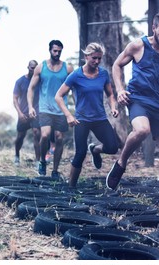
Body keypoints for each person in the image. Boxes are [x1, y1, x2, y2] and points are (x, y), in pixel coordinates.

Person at [106, 11, 159, 202]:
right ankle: (121, 162)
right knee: (142, 130)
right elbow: (117, 65)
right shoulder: (138, 45)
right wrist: (120, 90)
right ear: (153, 28)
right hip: (138, 99)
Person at [55, 42, 119, 189]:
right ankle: (71, 187)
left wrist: (113, 107)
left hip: (100, 118)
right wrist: (68, 116)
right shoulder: (75, 75)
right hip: (81, 120)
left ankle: (95, 150)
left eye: (99, 59)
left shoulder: (103, 74)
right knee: (80, 154)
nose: (97, 62)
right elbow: (58, 96)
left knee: (112, 147)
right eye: (94, 58)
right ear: (86, 57)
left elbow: (110, 94)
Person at [27, 39, 74, 179]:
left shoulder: (68, 68)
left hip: (60, 109)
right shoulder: (41, 67)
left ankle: (55, 170)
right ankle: (42, 161)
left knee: (59, 138)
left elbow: (75, 87)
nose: (57, 53)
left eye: (59, 51)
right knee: (45, 135)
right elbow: (31, 88)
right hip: (45, 107)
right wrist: (30, 107)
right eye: (55, 50)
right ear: (50, 50)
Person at [13, 60, 41, 167]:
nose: (33, 70)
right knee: (20, 136)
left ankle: (37, 161)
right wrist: (19, 113)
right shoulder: (20, 81)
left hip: (36, 113)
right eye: (31, 68)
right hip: (23, 113)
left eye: (35, 68)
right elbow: (15, 99)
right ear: (28, 67)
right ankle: (16, 156)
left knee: (36, 133)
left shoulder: (40, 80)